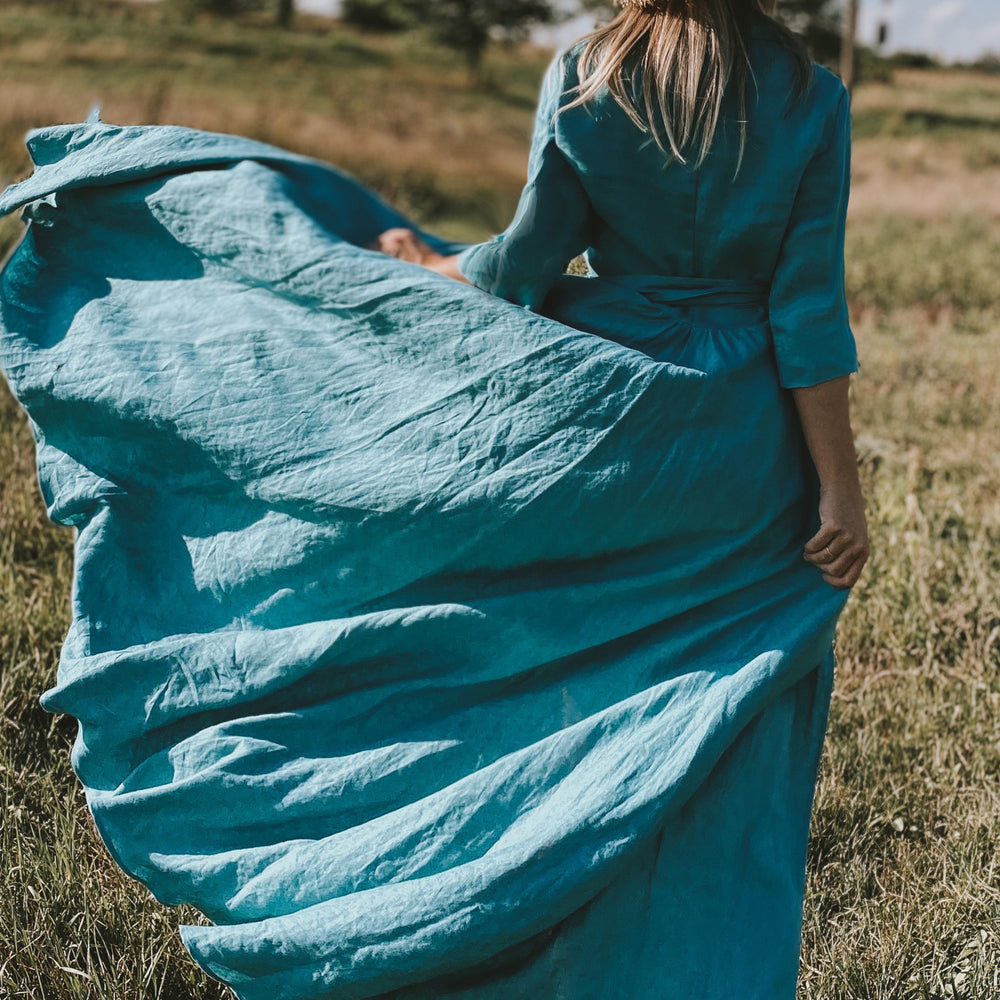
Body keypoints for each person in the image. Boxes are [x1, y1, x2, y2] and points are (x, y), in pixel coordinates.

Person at [0, 1, 867, 998]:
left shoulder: (594, 69)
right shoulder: (810, 95)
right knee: (726, 739)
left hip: (617, 421)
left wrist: (431, 266)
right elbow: (804, 311)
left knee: (556, 696)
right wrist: (838, 492)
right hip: (743, 452)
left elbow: (533, 257)